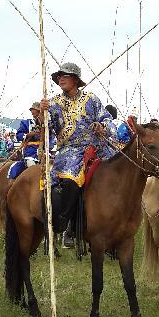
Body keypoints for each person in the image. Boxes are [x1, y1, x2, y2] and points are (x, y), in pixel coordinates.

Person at [42, 62, 112, 237]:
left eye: (65, 76)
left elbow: (107, 118)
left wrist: (102, 127)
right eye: (59, 76)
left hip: (97, 146)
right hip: (70, 150)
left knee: (121, 170)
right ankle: (64, 222)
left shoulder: (92, 99)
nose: (61, 79)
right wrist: (43, 114)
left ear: (75, 79)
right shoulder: (53, 103)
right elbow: (47, 128)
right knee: (71, 181)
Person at [8, 102, 48, 180]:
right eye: (32, 110)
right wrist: (30, 134)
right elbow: (19, 135)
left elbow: (51, 137)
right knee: (31, 166)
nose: (32, 112)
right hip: (30, 151)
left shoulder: (47, 123)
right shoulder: (25, 123)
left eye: (35, 110)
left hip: (45, 149)